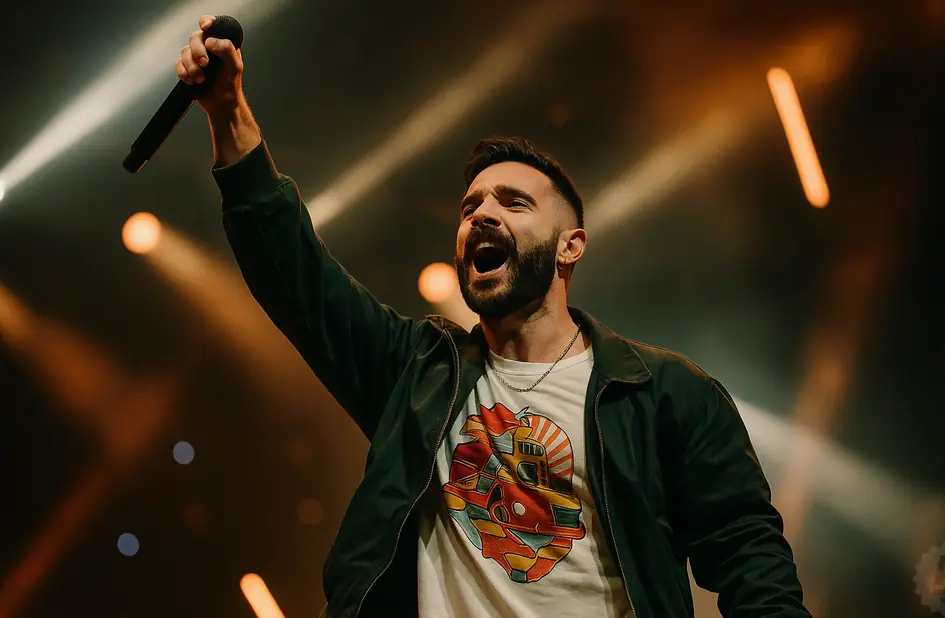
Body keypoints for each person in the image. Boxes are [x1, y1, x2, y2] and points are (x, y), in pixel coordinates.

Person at [177, 15, 811, 618]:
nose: (481, 214)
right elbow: (293, 273)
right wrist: (229, 112)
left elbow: (750, 559)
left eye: (514, 203)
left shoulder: (668, 395)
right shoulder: (418, 375)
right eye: (470, 204)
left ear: (570, 246)